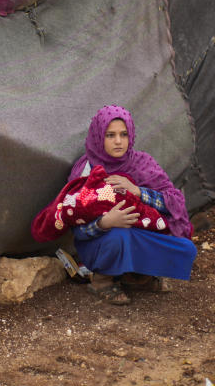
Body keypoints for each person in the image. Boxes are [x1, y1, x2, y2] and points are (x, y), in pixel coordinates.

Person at [68, 105, 197, 305]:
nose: (118, 141)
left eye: (123, 134)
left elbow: (174, 203)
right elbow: (77, 229)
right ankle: (102, 281)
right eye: (110, 135)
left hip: (139, 234)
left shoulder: (142, 163)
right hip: (102, 242)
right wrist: (105, 222)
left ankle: (136, 277)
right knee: (119, 237)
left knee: (186, 249)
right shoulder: (86, 170)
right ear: (98, 136)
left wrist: (138, 191)